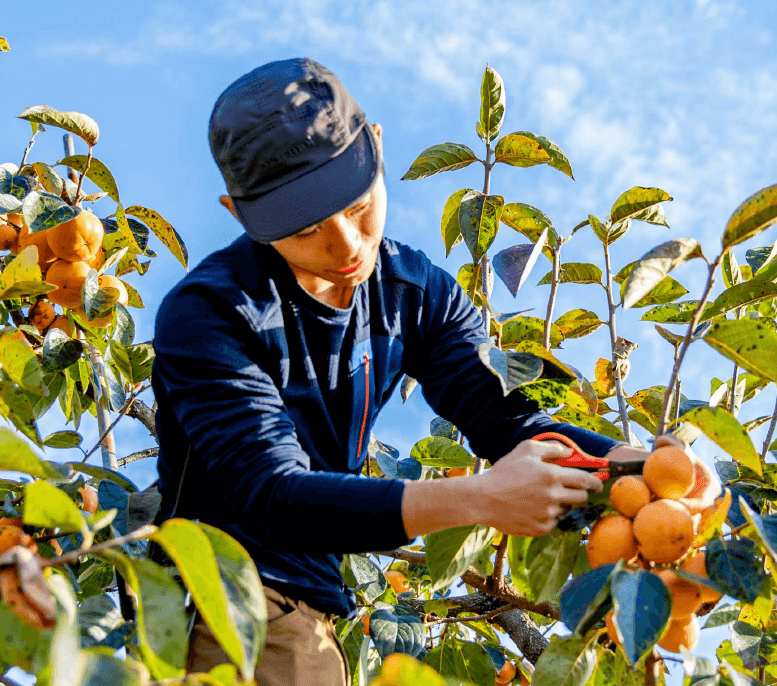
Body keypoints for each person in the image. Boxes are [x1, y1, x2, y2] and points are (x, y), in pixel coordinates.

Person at [151, 58, 713, 684]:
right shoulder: (212, 314)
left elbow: (508, 421)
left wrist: (645, 468)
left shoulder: (414, 291)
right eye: (307, 230)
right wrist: (479, 498)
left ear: (379, 149)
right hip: (225, 601)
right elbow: (272, 496)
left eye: (359, 205)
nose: (346, 245)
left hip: (309, 609)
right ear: (238, 214)